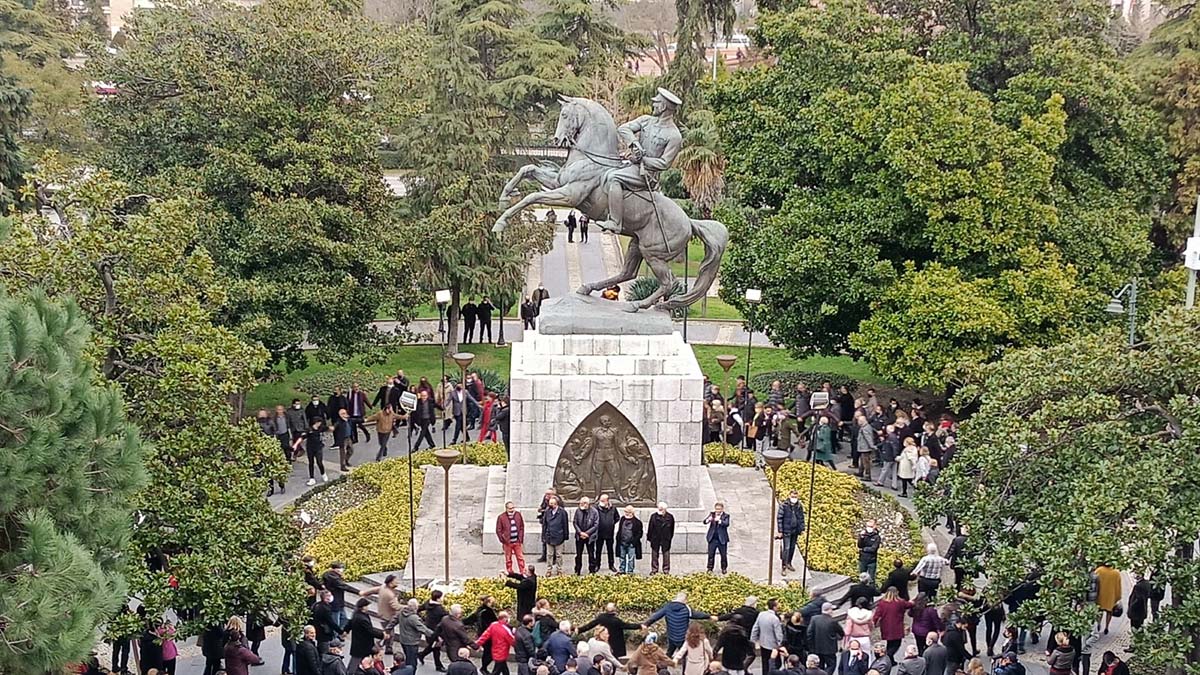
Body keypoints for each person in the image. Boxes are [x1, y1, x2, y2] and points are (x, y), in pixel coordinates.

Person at [596, 88, 683, 235]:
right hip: (633, 166)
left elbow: (664, 163)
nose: (653, 105)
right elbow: (624, 129)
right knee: (606, 171)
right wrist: (635, 145)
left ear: (663, 107)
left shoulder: (674, 136)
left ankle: (615, 222)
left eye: (657, 103)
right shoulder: (646, 121)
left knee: (613, 177)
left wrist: (643, 159)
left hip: (646, 175)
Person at [644, 592, 712, 656]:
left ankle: (663, 667)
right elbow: (697, 615)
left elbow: (656, 616)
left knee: (669, 654)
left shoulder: (668, 607)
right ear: (684, 600)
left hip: (671, 636)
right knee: (684, 655)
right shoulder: (686, 609)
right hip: (682, 637)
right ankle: (685, 668)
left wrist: (646, 624)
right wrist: (709, 616)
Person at [360, 574, 403, 654]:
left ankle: (386, 647)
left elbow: (374, 590)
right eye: (395, 581)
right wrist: (408, 607)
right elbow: (396, 606)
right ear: (390, 583)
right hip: (387, 616)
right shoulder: (390, 594)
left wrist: (364, 593)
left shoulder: (383, 587)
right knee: (389, 633)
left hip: (382, 614)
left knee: (388, 632)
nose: (397, 582)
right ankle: (380, 646)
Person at [872, 587, 911, 661]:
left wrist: (874, 623)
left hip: (885, 626)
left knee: (889, 642)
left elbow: (877, 614)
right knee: (897, 644)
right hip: (897, 626)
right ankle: (887, 657)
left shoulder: (882, 603)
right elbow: (908, 605)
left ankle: (890, 660)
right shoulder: (900, 602)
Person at [396, 599, 435, 671]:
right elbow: (423, 629)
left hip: (403, 640)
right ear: (415, 607)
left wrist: (388, 629)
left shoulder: (402, 612)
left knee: (408, 659)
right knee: (412, 663)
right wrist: (435, 635)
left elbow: (394, 620)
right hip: (412, 642)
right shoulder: (414, 618)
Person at [350, 598, 386, 672]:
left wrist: (345, 631)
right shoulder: (362, 618)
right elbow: (370, 631)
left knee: (356, 662)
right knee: (356, 663)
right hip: (363, 645)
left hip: (359, 643)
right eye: (367, 606)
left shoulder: (357, 615)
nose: (368, 607)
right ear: (363, 607)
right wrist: (382, 635)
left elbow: (349, 624)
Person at [465, 597, 499, 675]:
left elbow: (470, 619)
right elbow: (494, 623)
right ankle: (484, 668)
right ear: (488, 602)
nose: (494, 603)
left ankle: (484, 668)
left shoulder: (480, 610)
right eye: (492, 602)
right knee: (489, 653)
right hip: (489, 636)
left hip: (482, 634)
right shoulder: (488, 612)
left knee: (487, 652)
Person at [750, 599, 784, 675]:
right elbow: (778, 634)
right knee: (775, 665)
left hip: (763, 644)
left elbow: (755, 628)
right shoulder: (775, 619)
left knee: (765, 664)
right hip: (773, 646)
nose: (779, 606)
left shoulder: (761, 614)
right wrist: (780, 644)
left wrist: (753, 640)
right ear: (774, 607)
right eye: (778, 604)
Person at [806, 603, 843, 674]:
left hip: (817, 648)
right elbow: (841, 632)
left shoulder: (814, 619)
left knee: (820, 665)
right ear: (828, 610)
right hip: (830, 649)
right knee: (831, 665)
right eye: (831, 609)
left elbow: (809, 633)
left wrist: (811, 646)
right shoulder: (832, 621)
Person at [293, 419, 330, 486]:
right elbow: (302, 438)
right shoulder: (309, 430)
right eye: (319, 422)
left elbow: (328, 428)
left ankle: (323, 474)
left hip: (318, 448)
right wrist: (296, 444)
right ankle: (312, 478)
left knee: (319, 462)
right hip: (310, 448)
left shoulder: (321, 428)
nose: (320, 424)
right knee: (311, 463)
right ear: (316, 423)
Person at [418, 590, 448, 672]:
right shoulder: (440, 609)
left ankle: (421, 655)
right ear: (438, 599)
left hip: (428, 630)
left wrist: (420, 618)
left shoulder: (428, 603)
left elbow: (419, 608)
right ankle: (438, 666)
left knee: (434, 647)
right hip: (436, 632)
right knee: (436, 648)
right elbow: (447, 617)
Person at [777, 490, 806, 574]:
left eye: (795, 497)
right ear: (789, 496)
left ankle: (789, 563)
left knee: (792, 548)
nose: (794, 498)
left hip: (795, 530)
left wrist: (802, 528)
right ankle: (784, 566)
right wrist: (780, 531)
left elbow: (801, 518)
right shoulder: (784, 506)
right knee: (786, 548)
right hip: (787, 530)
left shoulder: (799, 506)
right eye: (793, 497)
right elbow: (779, 518)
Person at [497, 502, 528, 575]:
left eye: (513, 508)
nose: (512, 510)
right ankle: (510, 571)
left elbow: (521, 527)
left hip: (517, 541)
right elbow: (499, 530)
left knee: (520, 557)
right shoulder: (501, 517)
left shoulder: (518, 515)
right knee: (508, 558)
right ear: (506, 509)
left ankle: (522, 571)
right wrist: (503, 539)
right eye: (510, 508)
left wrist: (520, 538)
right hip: (507, 542)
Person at [542, 496, 570, 576]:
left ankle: (559, 569)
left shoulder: (562, 512)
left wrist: (565, 536)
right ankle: (549, 570)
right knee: (549, 555)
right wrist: (544, 535)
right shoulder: (547, 512)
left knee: (559, 555)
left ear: (556, 503)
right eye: (550, 503)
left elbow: (565, 524)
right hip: (549, 536)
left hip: (559, 536)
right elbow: (545, 525)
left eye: (553, 504)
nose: (551, 505)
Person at [573, 497, 600, 575]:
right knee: (578, 554)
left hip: (590, 537)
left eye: (584, 503)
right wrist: (580, 532)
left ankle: (592, 570)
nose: (582, 505)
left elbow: (596, 525)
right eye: (581, 503)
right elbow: (575, 522)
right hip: (579, 536)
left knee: (591, 554)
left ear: (588, 504)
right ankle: (577, 569)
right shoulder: (578, 511)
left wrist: (587, 533)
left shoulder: (594, 512)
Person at [647, 501, 675, 574]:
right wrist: (649, 537)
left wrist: (669, 538)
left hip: (665, 539)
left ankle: (666, 570)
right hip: (655, 538)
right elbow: (650, 528)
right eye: (659, 508)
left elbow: (672, 529)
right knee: (654, 555)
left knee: (666, 555)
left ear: (665, 509)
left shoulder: (670, 517)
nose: (660, 510)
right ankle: (654, 569)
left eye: (662, 509)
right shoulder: (653, 516)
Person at [705, 501, 731, 574]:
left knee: (723, 555)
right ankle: (710, 568)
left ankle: (724, 568)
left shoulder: (726, 516)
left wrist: (719, 521)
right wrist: (708, 520)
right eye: (716, 509)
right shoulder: (712, 514)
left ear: (722, 509)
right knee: (711, 554)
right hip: (713, 538)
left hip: (721, 539)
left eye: (719, 509)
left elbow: (726, 523)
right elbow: (705, 521)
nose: (718, 511)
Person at [1094, 564, 1121, 635]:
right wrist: (1118, 596)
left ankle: (1098, 623)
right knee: (1109, 612)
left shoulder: (1099, 570)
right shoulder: (1116, 573)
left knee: (1100, 611)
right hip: (1111, 595)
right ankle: (1106, 627)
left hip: (1101, 595)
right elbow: (1118, 586)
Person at [616, 505, 644, 574]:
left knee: (631, 559)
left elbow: (639, 534)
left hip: (631, 544)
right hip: (622, 542)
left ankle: (630, 572)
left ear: (632, 513)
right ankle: (622, 570)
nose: (626, 513)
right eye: (625, 512)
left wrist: (634, 542)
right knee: (622, 557)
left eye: (628, 512)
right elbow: (620, 530)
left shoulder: (637, 522)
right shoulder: (622, 519)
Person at [595, 494, 619, 573]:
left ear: (607, 501)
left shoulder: (613, 508)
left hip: (609, 532)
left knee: (610, 550)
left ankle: (611, 565)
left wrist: (611, 523)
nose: (601, 502)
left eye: (603, 501)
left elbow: (617, 518)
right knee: (598, 550)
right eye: (600, 500)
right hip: (599, 533)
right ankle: (597, 565)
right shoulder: (596, 508)